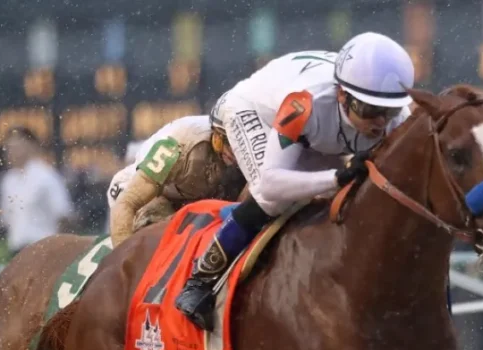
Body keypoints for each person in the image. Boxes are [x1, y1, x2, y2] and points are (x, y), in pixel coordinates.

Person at [174, 31, 415, 331]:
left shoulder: (400, 117)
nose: (380, 123)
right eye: (368, 110)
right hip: (254, 111)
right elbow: (273, 183)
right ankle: (200, 280)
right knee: (272, 199)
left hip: (317, 135)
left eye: (388, 112)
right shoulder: (304, 103)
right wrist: (336, 178)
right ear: (342, 94)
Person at [106, 114, 239, 248]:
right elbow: (126, 203)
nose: (235, 150)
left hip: (186, 197)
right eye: (227, 142)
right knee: (160, 240)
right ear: (216, 136)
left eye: (240, 142)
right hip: (144, 191)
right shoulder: (179, 144)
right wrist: (126, 258)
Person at [0, 127, 74, 258]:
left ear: (31, 146)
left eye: (17, 147)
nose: (12, 152)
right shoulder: (8, 181)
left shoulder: (47, 176)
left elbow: (63, 215)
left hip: (44, 250)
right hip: (16, 250)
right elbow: (6, 219)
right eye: (9, 148)